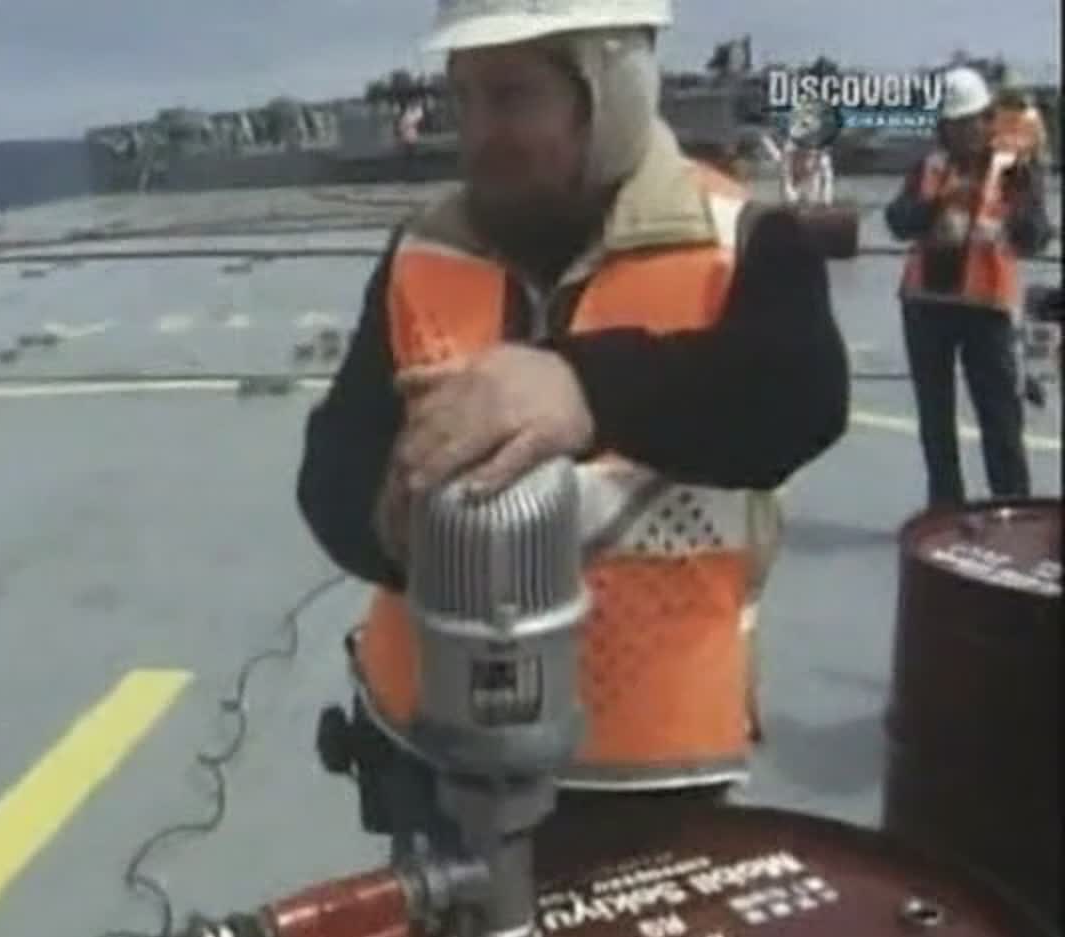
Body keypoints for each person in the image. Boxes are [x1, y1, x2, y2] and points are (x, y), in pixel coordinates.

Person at [298, 0, 848, 854]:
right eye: (463, 98)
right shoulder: (421, 250)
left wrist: (584, 385)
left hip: (645, 772)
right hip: (434, 746)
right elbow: (335, 458)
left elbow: (799, 399)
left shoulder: (744, 242)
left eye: (512, 97)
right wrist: (386, 522)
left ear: (612, 91)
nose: (479, 133)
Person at [885, 66, 1052, 507]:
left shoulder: (1013, 170)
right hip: (926, 305)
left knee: (1000, 418)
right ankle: (945, 506)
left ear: (986, 119)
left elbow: (1035, 237)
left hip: (986, 307)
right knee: (935, 419)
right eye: (951, 124)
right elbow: (897, 221)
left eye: (967, 122)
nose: (959, 132)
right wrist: (935, 206)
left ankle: (1012, 508)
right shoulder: (929, 168)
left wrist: (1021, 204)